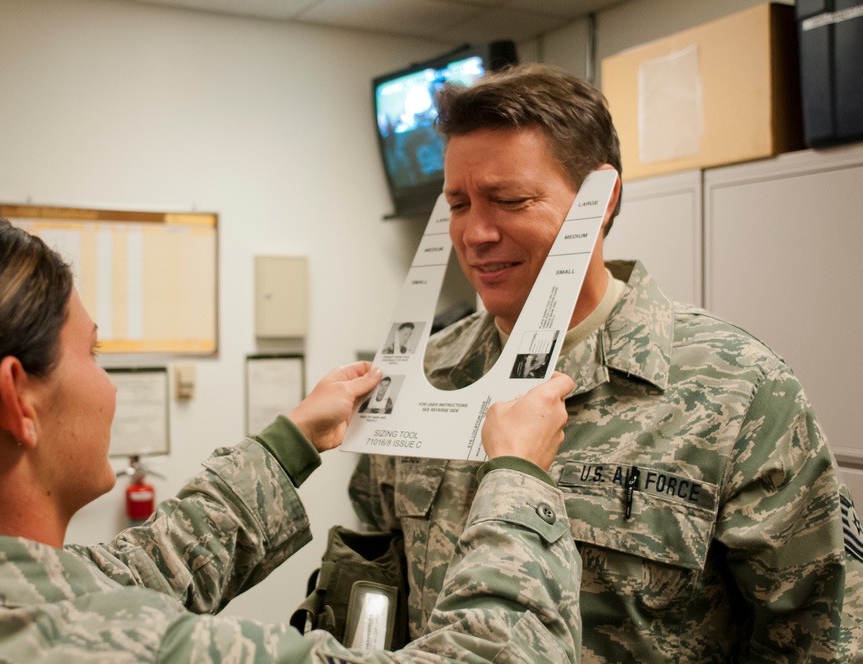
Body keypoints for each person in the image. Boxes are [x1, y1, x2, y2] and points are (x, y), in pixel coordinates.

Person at [0, 215, 583, 662]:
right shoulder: (133, 651)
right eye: (92, 353)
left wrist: (293, 440)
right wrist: (517, 479)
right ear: (19, 397)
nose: (109, 385)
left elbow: (134, 574)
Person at [348, 64, 863, 662]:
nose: (476, 234)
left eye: (509, 201)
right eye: (458, 205)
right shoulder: (423, 375)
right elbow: (378, 581)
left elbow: (821, 636)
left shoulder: (739, 390)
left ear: (602, 199)